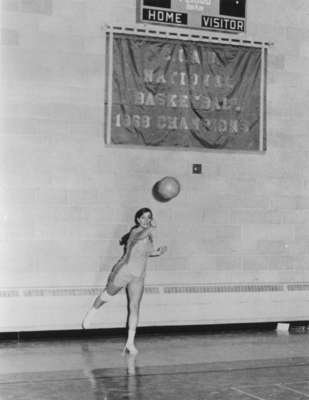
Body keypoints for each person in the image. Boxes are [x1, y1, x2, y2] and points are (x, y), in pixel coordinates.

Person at [82, 207, 167, 354]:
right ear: (138, 220)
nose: (147, 220)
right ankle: (92, 313)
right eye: (144, 217)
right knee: (107, 296)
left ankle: (130, 343)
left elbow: (146, 252)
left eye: (149, 217)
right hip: (124, 271)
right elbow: (142, 234)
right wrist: (152, 227)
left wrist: (157, 252)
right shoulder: (135, 232)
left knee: (134, 307)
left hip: (139, 276)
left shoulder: (149, 236)